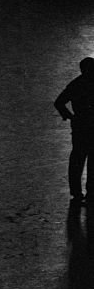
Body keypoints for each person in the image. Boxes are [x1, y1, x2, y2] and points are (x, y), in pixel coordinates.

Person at [54, 57, 94, 205]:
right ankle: (91, 192)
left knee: (78, 160)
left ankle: (77, 193)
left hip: (80, 127)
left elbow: (59, 102)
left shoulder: (76, 84)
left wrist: (70, 117)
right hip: (90, 127)